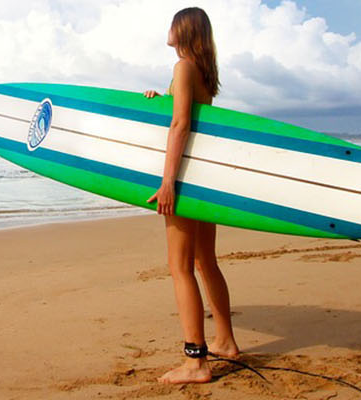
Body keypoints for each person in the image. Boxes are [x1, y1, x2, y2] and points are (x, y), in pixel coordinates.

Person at [141, 7, 239, 384]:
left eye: (171, 23)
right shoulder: (201, 71)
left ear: (182, 30)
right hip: (203, 179)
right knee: (205, 262)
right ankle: (226, 341)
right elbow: (182, 114)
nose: (167, 29)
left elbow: (181, 124)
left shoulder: (183, 67)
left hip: (182, 178)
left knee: (180, 267)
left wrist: (168, 183)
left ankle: (196, 361)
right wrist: (157, 99)